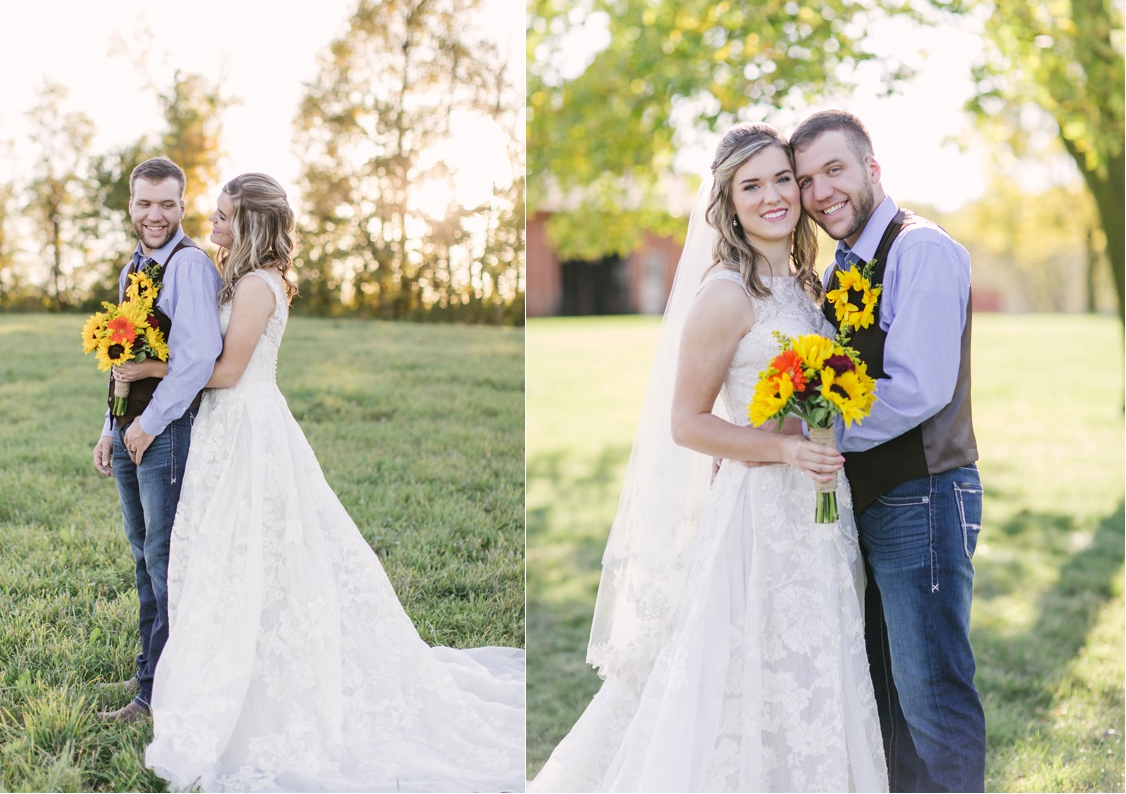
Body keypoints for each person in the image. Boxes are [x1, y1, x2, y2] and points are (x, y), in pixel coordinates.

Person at [137, 173, 525, 792]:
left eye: (221, 218)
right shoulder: (240, 278)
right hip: (228, 431)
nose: (210, 227)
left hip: (246, 427)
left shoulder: (260, 287)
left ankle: (261, 680)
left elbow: (229, 371)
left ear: (251, 225)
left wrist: (155, 367)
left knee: (261, 551)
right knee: (233, 553)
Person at [529, 125, 887, 792]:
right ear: (727, 203)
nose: (773, 196)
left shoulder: (811, 285)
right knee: (743, 671)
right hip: (758, 520)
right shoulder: (726, 293)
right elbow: (686, 422)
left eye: (783, 178)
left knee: (812, 671)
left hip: (818, 517)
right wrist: (782, 446)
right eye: (752, 186)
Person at [790, 109, 984, 793]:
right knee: (888, 700)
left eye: (834, 170)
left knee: (932, 696)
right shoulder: (846, 265)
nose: (820, 193)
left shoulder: (919, 248)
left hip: (923, 496)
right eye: (807, 179)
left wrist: (811, 435)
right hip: (870, 501)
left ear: (873, 168)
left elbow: (916, 389)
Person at [93, 156, 223, 723]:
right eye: (145, 203)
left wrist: (147, 425)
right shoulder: (132, 268)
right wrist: (110, 427)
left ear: (183, 205)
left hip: (165, 432)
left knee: (165, 558)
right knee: (142, 556)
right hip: (130, 430)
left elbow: (197, 361)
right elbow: (120, 357)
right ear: (131, 205)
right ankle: (152, 666)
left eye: (167, 203)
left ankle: (158, 693)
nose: (155, 214)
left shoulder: (190, 266)